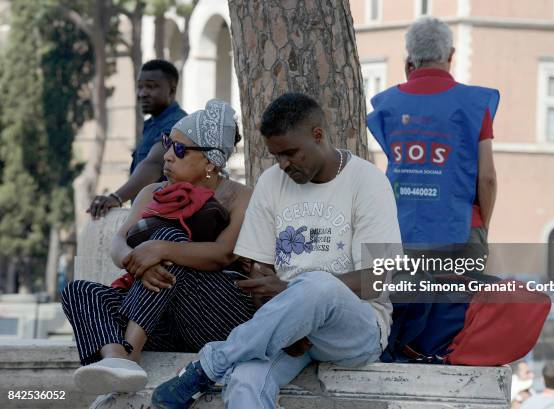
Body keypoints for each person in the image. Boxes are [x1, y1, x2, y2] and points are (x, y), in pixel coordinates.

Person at [151, 92, 402, 409]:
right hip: (286, 330)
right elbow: (257, 271)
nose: (284, 165)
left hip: (354, 329)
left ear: (318, 135)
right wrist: (290, 320)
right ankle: (222, 364)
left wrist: (294, 294)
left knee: (318, 283)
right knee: (244, 382)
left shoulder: (367, 181)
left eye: (291, 153)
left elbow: (378, 278)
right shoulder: (271, 182)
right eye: (276, 156)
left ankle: (208, 366)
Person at [62, 100, 255, 395]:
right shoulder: (152, 191)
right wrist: (136, 259)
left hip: (215, 314)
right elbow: (119, 242)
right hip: (161, 316)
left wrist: (161, 250)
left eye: (179, 150)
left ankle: (129, 354)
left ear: (210, 162)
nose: (167, 156)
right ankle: (117, 361)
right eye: (168, 143)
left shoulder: (240, 196)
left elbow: (223, 254)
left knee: (172, 241)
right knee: (79, 291)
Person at [367, 16, 498, 251]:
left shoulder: (387, 104)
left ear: (410, 57)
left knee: (405, 289)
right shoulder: (475, 105)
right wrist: (481, 227)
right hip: (461, 231)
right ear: (451, 54)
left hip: (403, 230)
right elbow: (487, 178)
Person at [88, 59, 187, 219]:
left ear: (171, 90)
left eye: (151, 86)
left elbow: (154, 164)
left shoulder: (176, 123)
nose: (142, 93)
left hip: (165, 223)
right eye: (140, 86)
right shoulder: (151, 124)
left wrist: (116, 198)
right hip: (147, 217)